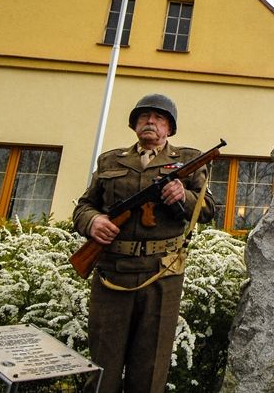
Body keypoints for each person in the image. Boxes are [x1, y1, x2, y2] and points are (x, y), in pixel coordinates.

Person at [73, 93, 215, 393]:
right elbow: (84, 206)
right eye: (144, 117)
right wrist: (93, 222)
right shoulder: (111, 160)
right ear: (135, 125)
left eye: (159, 118)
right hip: (112, 272)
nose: (151, 121)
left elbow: (208, 210)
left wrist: (184, 197)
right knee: (103, 370)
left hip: (161, 275)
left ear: (169, 128)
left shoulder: (188, 161)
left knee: (150, 370)